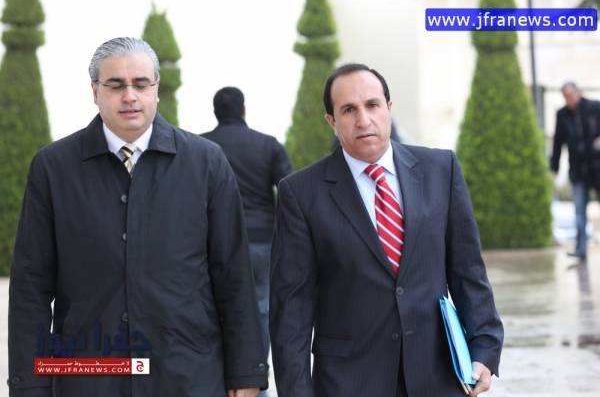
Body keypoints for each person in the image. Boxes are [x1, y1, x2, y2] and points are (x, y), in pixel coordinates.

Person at [8, 37, 267, 397]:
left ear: (156, 89)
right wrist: (30, 385)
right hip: (90, 378)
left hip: (187, 377)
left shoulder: (206, 163)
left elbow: (234, 274)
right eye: (116, 85)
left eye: (141, 84)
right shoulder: (53, 169)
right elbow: (31, 288)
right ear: (95, 91)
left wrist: (246, 373)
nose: (129, 96)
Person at [270, 63, 503, 397]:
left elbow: (468, 270)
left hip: (437, 375)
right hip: (349, 382)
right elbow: (291, 309)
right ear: (331, 121)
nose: (364, 120)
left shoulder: (441, 170)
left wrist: (484, 348)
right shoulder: (301, 193)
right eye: (349, 110)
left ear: (389, 108)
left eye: (372, 105)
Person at [201, 86, 292, 363]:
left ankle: (226, 368)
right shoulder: (268, 145)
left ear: (215, 112)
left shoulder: (200, 147)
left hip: (214, 241)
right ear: (243, 109)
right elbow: (289, 193)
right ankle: (256, 368)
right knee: (262, 306)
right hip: (261, 240)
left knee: (215, 306)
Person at [550, 82, 600, 262]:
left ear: (578, 92)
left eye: (570, 95)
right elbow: (558, 142)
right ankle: (581, 249)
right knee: (579, 211)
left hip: (597, 168)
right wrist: (554, 166)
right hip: (578, 171)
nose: (568, 99)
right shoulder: (562, 115)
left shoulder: (595, 107)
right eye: (565, 96)